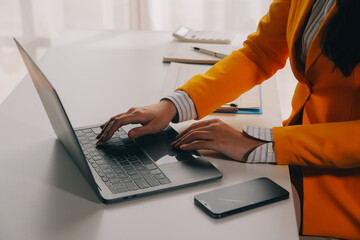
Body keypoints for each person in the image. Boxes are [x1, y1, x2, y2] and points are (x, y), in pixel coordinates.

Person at [96, 0, 360, 238]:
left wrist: (261, 145)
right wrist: (172, 106)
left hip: (345, 191)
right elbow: (260, 53)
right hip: (300, 150)